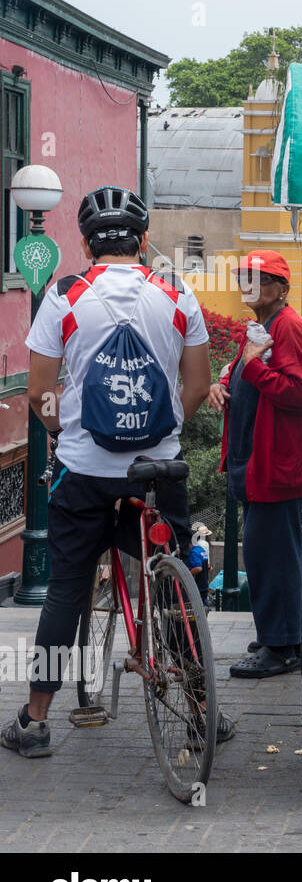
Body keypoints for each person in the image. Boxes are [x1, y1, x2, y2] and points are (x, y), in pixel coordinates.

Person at [3, 186, 233, 757]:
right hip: (158, 471)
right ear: (144, 239)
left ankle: (34, 723)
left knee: (65, 592)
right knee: (176, 585)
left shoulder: (64, 297)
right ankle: (205, 709)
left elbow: (38, 394)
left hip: (83, 473)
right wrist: (168, 426)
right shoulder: (177, 293)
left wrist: (62, 433)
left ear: (84, 242)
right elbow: (200, 385)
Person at [208, 249, 302, 678]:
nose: (248, 285)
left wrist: (252, 371)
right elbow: (241, 368)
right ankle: (276, 635)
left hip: (277, 466)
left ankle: (282, 647)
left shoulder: (290, 327)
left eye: (259, 278)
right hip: (254, 465)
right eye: (245, 277)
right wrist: (223, 382)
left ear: (281, 288)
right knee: (266, 555)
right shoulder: (263, 326)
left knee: (275, 557)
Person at [189, 522, 213, 606]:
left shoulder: (196, 548)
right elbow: (207, 563)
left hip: (198, 582)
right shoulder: (203, 547)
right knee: (203, 600)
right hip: (204, 581)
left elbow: (198, 568)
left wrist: (187, 575)